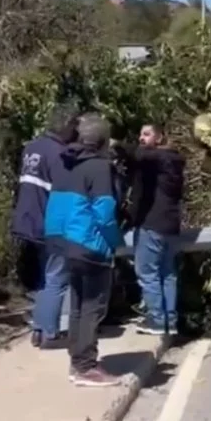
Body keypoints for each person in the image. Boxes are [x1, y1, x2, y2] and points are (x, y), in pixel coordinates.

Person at [44, 113, 125, 387]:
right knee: (93, 308)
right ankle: (86, 367)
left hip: (65, 243)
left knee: (78, 306)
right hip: (91, 244)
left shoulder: (65, 163)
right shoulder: (100, 167)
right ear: (102, 141)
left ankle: (77, 362)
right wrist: (115, 242)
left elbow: (57, 204)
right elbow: (105, 213)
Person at [11, 106, 79, 349]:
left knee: (44, 278)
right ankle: (50, 333)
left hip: (28, 220)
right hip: (50, 223)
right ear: (67, 127)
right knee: (56, 279)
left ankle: (39, 329)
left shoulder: (32, 148)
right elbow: (64, 192)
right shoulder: (60, 154)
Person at [129, 123, 186, 336]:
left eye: (146, 134)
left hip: (152, 223)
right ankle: (170, 320)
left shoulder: (156, 159)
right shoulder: (174, 160)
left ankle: (156, 319)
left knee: (147, 272)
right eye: (140, 134)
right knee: (167, 274)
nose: (141, 138)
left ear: (160, 138)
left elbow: (137, 155)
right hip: (171, 225)